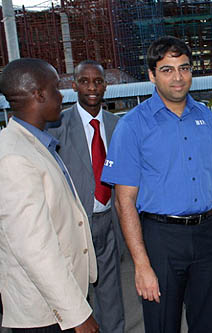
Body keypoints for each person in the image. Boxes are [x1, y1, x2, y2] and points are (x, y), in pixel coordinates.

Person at [101, 36, 212, 333]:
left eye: (184, 68)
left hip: (209, 236)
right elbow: (124, 202)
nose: (178, 77)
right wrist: (142, 264)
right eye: (167, 70)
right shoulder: (132, 125)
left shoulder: (208, 118)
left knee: (208, 324)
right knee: (162, 325)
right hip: (161, 239)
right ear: (151, 75)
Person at [0, 58, 98, 332]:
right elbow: (35, 249)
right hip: (45, 313)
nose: (61, 96)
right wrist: (78, 314)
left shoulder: (34, 142)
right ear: (38, 94)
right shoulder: (14, 157)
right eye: (55, 88)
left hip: (58, 303)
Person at [47, 60, 125, 333]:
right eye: (85, 81)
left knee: (111, 290)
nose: (92, 87)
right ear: (74, 85)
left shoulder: (117, 126)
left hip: (110, 220)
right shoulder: (58, 125)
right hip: (74, 222)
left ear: (106, 85)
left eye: (98, 81)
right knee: (76, 290)